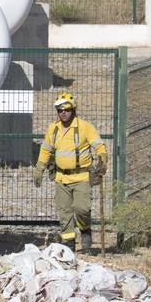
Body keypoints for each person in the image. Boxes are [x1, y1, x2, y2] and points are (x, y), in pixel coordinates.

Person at [34, 93, 107, 252]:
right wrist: (39, 169)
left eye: (67, 110)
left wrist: (102, 159)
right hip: (61, 178)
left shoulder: (85, 127)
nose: (63, 113)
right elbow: (45, 150)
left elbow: (99, 146)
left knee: (82, 209)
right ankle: (69, 244)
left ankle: (85, 230)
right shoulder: (53, 129)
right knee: (64, 212)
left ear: (73, 110)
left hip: (82, 177)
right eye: (60, 110)